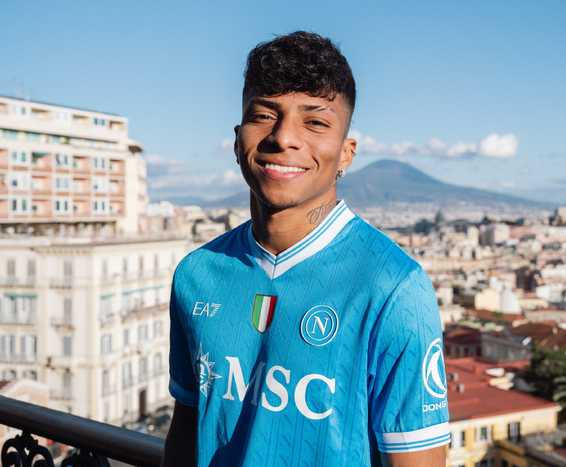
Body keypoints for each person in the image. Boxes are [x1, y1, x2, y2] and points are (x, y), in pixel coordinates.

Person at [162, 31, 449, 467]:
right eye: (264, 116)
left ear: (347, 153)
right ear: (237, 140)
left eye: (315, 122)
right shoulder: (197, 274)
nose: (283, 137)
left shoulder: (393, 287)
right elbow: (187, 425)